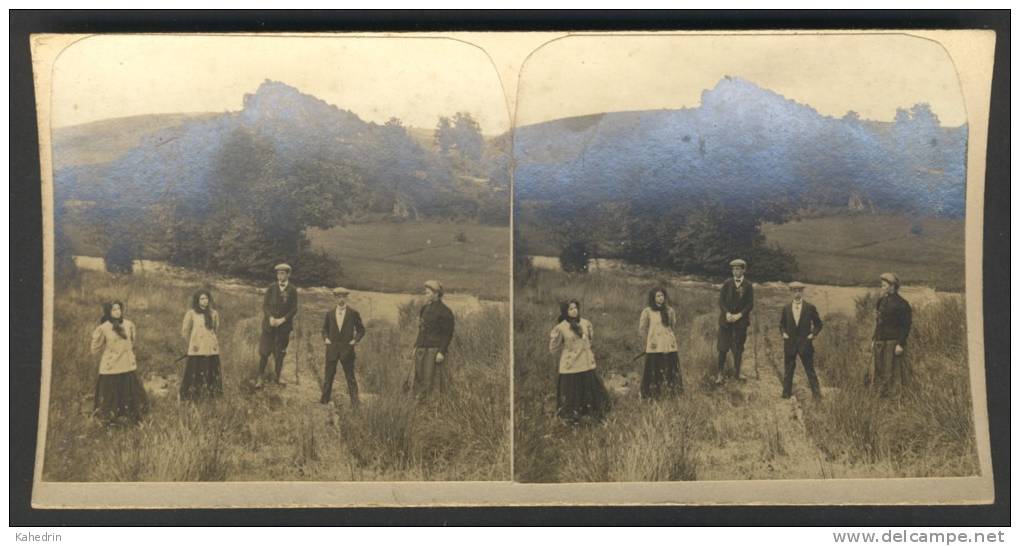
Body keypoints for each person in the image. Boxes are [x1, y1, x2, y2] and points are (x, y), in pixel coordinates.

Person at [549, 299, 611, 424]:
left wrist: (585, 348)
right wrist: (569, 350)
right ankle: (572, 417)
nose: (574, 311)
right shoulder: (561, 328)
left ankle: (591, 413)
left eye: (576, 308)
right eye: (571, 309)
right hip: (571, 364)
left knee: (590, 387)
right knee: (571, 391)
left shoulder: (586, 323)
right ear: (565, 311)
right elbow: (553, 348)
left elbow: (590, 339)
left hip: (586, 362)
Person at [90, 301, 149, 425]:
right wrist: (110, 353)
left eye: (119, 309)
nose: (117, 311)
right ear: (108, 312)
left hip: (126, 364)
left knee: (131, 390)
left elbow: (132, 341)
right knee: (111, 395)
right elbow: (95, 347)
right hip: (111, 366)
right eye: (113, 310)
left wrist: (128, 353)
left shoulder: (128, 324)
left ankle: (130, 415)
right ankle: (111, 419)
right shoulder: (104, 328)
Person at [320, 287, 366, 407]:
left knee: (350, 377)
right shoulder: (329, 314)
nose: (341, 299)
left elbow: (361, 330)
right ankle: (324, 400)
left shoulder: (353, 313)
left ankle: (355, 403)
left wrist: (355, 341)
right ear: (335, 298)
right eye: (338, 297)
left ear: (346, 298)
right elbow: (324, 329)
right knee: (328, 376)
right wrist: (326, 338)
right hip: (332, 349)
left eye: (343, 297)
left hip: (347, 350)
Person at [778, 282, 824, 400]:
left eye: (799, 291)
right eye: (794, 291)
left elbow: (819, 324)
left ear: (802, 292)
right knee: (788, 370)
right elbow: (781, 324)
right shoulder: (786, 308)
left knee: (810, 370)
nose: (797, 293)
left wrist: (812, 335)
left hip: (805, 344)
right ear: (791, 292)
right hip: (790, 344)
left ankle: (817, 396)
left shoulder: (809, 307)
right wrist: (783, 333)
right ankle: (786, 395)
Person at [412, 280, 455, 400]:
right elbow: (421, 329)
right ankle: (419, 404)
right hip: (421, 348)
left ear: (436, 293)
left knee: (431, 378)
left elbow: (448, 334)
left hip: (434, 350)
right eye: (425, 292)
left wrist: (442, 351)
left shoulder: (445, 312)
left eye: (428, 292)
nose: (426, 294)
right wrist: (416, 346)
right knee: (418, 376)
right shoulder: (424, 309)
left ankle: (431, 407)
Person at [257, 263, 298, 387]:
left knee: (280, 353)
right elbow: (265, 305)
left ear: (288, 274)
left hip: (283, 328)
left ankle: (277, 377)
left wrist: (283, 320)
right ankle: (260, 377)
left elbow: (294, 309)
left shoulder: (292, 290)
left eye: (282, 273)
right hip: (269, 326)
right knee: (264, 352)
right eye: (278, 273)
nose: (279, 276)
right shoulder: (271, 288)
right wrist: (270, 318)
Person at [872, 272, 912, 397]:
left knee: (892, 371)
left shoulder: (902, 304)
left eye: (884, 285)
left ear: (892, 286)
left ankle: (894, 399)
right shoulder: (881, 301)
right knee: (879, 369)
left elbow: (905, 326)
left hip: (893, 342)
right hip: (880, 341)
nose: (882, 287)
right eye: (882, 285)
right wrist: (874, 339)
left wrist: (900, 344)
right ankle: (881, 397)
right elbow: (878, 322)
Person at [638, 287, 682, 399]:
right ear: (653, 298)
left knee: (669, 367)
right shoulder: (647, 311)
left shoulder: (670, 311)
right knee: (654, 368)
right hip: (655, 345)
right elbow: (642, 329)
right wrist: (648, 341)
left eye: (662, 296)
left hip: (668, 344)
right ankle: (653, 393)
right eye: (658, 296)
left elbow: (672, 325)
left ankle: (671, 392)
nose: (660, 298)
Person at [180, 289, 223, 401]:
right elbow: (185, 331)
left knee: (211, 370)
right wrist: (192, 343)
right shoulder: (192, 313)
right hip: (197, 348)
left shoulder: (214, 313)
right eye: (202, 299)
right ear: (197, 300)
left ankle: (211, 394)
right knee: (196, 371)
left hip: (210, 348)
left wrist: (211, 341)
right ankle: (193, 395)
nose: (205, 301)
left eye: (206, 298)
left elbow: (215, 329)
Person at [716, 258, 755, 384]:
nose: (735, 271)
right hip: (725, 322)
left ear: (743, 270)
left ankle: (737, 373)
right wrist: (726, 313)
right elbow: (721, 301)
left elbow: (750, 304)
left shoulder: (748, 286)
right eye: (733, 269)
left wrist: (739, 315)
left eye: (738, 269)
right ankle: (720, 374)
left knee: (738, 348)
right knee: (722, 348)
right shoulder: (727, 283)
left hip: (740, 322)